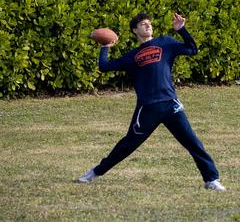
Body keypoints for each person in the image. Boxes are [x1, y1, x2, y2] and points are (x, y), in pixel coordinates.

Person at [76, 12, 226, 191]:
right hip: (147, 109)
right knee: (127, 145)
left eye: (149, 23)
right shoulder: (132, 56)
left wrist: (182, 30)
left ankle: (212, 180)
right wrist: (105, 46)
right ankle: (95, 172)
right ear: (135, 30)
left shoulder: (165, 42)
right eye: (142, 24)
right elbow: (104, 66)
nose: (148, 25)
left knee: (193, 142)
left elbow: (192, 49)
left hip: (171, 105)